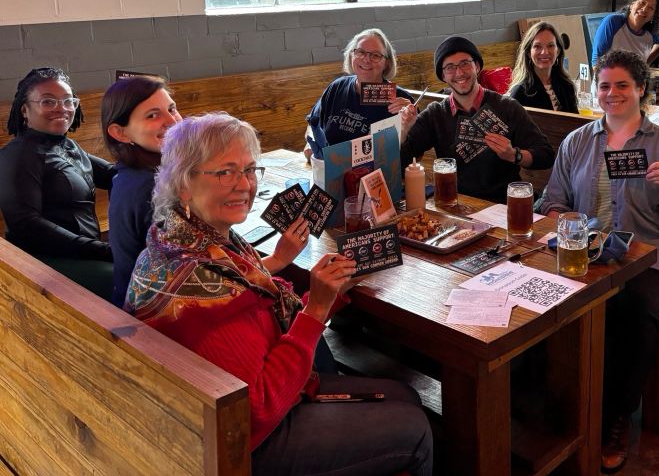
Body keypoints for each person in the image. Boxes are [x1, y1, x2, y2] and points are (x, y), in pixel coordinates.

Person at [125, 113, 432, 475]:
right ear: (183, 185)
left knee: (407, 396)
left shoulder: (194, 240)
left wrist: (328, 293)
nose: (245, 185)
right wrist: (316, 309)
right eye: (225, 172)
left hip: (240, 410)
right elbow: (261, 406)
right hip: (241, 446)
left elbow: (261, 312)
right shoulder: (199, 290)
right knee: (415, 428)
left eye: (250, 169)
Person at [538, 49, 659, 473]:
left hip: (651, 256)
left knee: (629, 312)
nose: (611, 94)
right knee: (546, 305)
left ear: (639, 91)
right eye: (604, 86)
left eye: (621, 86)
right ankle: (555, 405)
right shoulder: (578, 141)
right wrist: (566, 221)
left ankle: (615, 417)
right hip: (589, 253)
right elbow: (552, 201)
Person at [0, 67, 114, 298]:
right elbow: (27, 225)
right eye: (48, 102)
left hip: (83, 253)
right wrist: (104, 250)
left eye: (67, 101)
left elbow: (113, 174)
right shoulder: (18, 155)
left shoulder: (66, 146)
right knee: (128, 279)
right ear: (25, 109)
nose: (61, 108)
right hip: (43, 263)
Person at [401, 35, 555, 203]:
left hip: (503, 206)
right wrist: (403, 130)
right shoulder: (436, 114)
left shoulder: (507, 107)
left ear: (477, 66)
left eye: (465, 63)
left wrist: (514, 155)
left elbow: (545, 155)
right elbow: (404, 163)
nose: (459, 72)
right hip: (456, 205)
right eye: (450, 67)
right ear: (443, 76)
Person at [101, 75, 182, 307]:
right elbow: (189, 270)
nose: (172, 121)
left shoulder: (136, 171)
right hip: (150, 317)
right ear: (121, 133)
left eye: (172, 109)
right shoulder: (151, 187)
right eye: (153, 115)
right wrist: (277, 261)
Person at [305, 28, 417, 150]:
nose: (366, 59)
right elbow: (313, 122)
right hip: (329, 166)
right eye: (360, 52)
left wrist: (405, 128)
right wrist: (311, 145)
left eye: (375, 55)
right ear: (351, 55)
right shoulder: (337, 87)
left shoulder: (402, 101)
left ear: (387, 63)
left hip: (379, 168)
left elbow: (414, 155)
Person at [507, 21, 579, 113]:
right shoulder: (520, 92)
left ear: (558, 51)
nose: (545, 52)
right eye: (537, 46)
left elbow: (577, 124)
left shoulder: (567, 86)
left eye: (550, 45)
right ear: (529, 52)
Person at [590, 0, 659, 67]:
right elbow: (596, 61)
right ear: (631, 5)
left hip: (635, 79)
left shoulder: (652, 32)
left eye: (651, 8)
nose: (644, 9)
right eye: (642, 3)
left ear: (653, 16)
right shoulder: (613, 22)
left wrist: (646, 64)